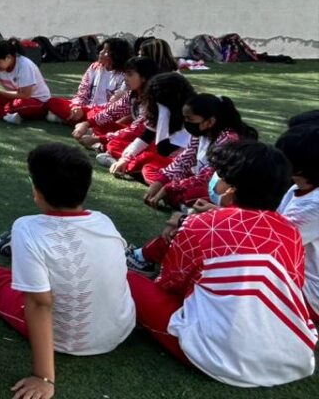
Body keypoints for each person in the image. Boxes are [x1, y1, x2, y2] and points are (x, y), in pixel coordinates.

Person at [126, 140, 316, 387]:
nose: (215, 181)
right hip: (289, 358)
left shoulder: (202, 224)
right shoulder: (290, 232)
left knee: (127, 279)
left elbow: (171, 284)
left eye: (220, 176)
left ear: (231, 189)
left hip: (219, 356)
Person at [0, 143, 136, 399]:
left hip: (65, 339)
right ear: (87, 187)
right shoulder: (103, 220)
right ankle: (17, 257)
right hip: (120, 330)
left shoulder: (25, 227)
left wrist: (44, 378)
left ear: (36, 190)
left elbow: (39, 303)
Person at [142, 94, 256, 210]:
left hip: (217, 186)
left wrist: (170, 188)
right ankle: (180, 201)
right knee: (150, 169)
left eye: (190, 119)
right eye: (185, 118)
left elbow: (207, 176)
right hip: (197, 177)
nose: (186, 122)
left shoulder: (228, 140)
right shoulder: (201, 133)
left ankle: (189, 203)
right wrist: (161, 181)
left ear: (210, 121)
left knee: (190, 195)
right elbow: (184, 160)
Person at [100, 72, 196, 181]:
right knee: (116, 145)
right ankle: (125, 166)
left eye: (130, 74)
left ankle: (131, 169)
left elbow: (168, 150)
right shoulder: (156, 108)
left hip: (180, 161)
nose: (126, 78)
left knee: (148, 165)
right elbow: (146, 137)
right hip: (162, 154)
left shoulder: (190, 116)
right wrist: (125, 158)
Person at [275, 125, 319, 320]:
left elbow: (272, 241)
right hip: (294, 275)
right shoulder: (297, 188)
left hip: (309, 292)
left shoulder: (314, 204)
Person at [80, 56, 158, 155]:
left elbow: (136, 131)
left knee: (115, 145)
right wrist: (86, 124)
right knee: (97, 119)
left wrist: (98, 139)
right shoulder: (132, 94)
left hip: (149, 141)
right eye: (125, 74)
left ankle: (107, 149)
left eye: (130, 75)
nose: (125, 79)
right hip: (135, 136)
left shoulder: (152, 101)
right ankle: (105, 147)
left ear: (143, 78)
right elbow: (111, 112)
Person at [46, 38, 132, 124]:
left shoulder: (125, 76)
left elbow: (115, 106)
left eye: (106, 51)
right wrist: (76, 106)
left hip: (102, 112)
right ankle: (83, 121)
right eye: (102, 49)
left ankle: (78, 121)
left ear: (116, 56)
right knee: (52, 102)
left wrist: (84, 110)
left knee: (104, 116)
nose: (101, 52)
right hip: (85, 109)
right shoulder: (94, 67)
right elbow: (82, 92)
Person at [0, 38, 52, 124]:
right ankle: (7, 114)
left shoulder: (24, 65)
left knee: (16, 106)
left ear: (8, 57)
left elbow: (25, 95)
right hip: (14, 98)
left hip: (37, 100)